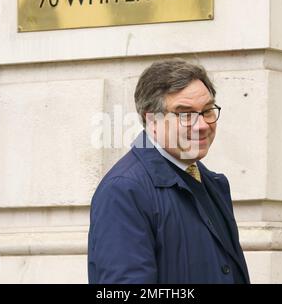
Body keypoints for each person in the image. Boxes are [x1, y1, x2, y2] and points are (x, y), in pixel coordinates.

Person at [88, 59, 250, 284]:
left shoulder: (212, 182)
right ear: (152, 120)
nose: (202, 124)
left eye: (207, 111)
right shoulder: (124, 191)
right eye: (185, 114)